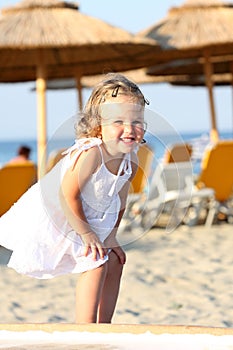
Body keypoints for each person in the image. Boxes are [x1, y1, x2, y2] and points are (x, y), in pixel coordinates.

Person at [0, 73, 148, 323]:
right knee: (96, 261)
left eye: (136, 121)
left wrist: (111, 235)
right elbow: (67, 195)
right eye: (118, 121)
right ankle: (86, 328)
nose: (129, 128)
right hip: (56, 209)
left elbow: (119, 201)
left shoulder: (130, 160)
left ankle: (105, 325)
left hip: (85, 213)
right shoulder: (92, 153)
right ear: (99, 125)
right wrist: (88, 234)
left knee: (114, 259)